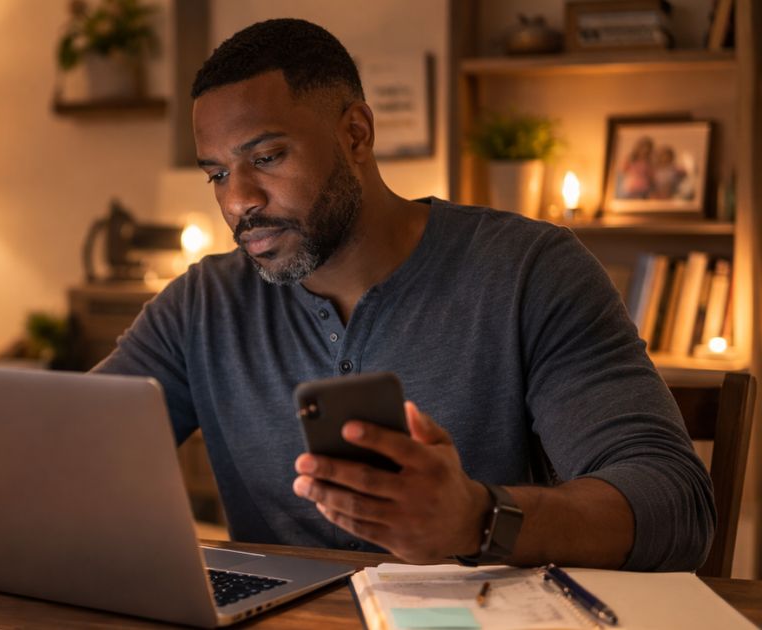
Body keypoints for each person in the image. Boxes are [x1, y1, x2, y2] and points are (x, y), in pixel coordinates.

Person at [94, 18, 713, 572]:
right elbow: (71, 447)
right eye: (219, 174)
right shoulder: (200, 305)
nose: (238, 201)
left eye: (268, 156)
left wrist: (479, 518)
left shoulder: (528, 271)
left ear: (356, 135)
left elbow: (674, 504)